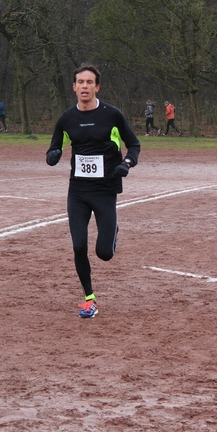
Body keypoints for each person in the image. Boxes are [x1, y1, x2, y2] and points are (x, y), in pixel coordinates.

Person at [46, 64, 140, 318]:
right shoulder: (66, 119)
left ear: (97, 87)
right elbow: (54, 148)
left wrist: (126, 163)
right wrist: (53, 155)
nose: (85, 86)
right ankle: (89, 299)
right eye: (80, 82)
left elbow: (134, 145)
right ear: (74, 87)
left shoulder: (112, 115)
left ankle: (113, 231)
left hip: (105, 190)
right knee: (78, 246)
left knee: (104, 253)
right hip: (78, 191)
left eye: (89, 82)